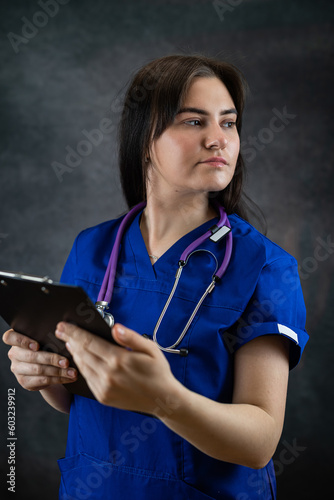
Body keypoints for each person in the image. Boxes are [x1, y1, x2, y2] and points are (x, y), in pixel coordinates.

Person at [3, 54, 309, 499]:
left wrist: (163, 399)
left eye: (228, 123)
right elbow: (75, 396)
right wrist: (44, 374)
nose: (217, 140)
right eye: (193, 122)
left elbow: (260, 442)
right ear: (145, 138)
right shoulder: (92, 249)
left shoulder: (264, 266)